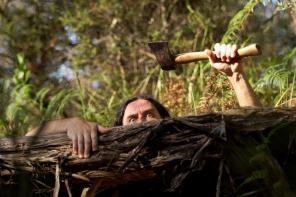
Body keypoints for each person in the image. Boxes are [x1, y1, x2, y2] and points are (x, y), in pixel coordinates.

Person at [26, 43, 262, 158]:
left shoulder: (193, 141)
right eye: (132, 118)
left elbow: (256, 131)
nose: (140, 121)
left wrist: (236, 75)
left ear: (166, 120)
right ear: (116, 129)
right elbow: (28, 139)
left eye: (149, 115)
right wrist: (70, 124)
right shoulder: (101, 146)